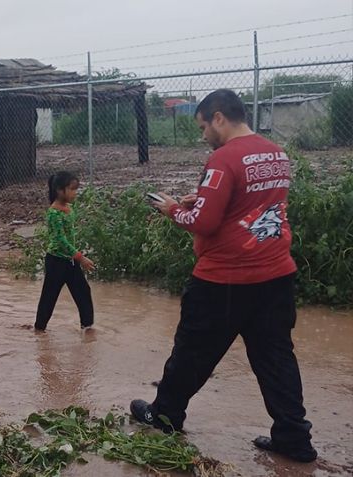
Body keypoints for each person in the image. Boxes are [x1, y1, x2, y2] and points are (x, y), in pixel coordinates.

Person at [130, 89, 317, 463]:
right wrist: (199, 197)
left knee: (192, 351)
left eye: (203, 127)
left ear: (218, 117)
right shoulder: (275, 154)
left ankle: (165, 416)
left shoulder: (223, 158)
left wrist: (172, 209)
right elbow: (250, 204)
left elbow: (206, 222)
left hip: (225, 280)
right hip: (276, 274)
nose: (203, 136)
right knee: (276, 358)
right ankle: (294, 438)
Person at [34, 171, 95, 332]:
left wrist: (76, 258)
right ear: (60, 190)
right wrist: (81, 258)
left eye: (76, 189)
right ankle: (39, 331)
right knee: (49, 297)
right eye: (72, 189)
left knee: (83, 292)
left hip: (70, 261)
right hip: (56, 261)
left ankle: (87, 329)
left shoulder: (68, 208)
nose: (75, 193)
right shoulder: (54, 213)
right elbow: (60, 241)